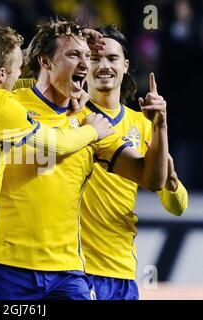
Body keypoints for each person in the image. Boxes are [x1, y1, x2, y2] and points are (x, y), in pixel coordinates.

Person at [0, 19, 168, 300]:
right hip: (3, 265)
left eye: (88, 57)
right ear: (45, 62)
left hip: (67, 272)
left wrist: (159, 126)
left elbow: (151, 179)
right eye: (76, 55)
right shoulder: (7, 103)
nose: (89, 64)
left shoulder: (91, 121)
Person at [80, 25, 188, 300]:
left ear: (126, 65)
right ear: (83, 64)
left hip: (122, 271)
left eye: (112, 58)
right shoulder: (68, 115)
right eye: (94, 58)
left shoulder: (144, 124)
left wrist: (172, 181)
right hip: (75, 268)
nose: (104, 66)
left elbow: (177, 207)